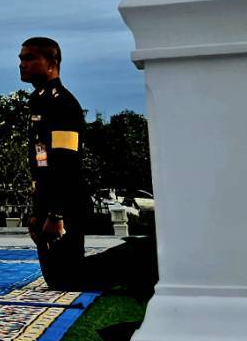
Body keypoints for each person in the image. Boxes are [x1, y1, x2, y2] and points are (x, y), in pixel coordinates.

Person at [21, 36, 157, 292]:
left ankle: (144, 256)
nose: (22, 64)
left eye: (29, 58)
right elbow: (41, 161)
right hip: (47, 199)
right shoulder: (38, 100)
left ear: (51, 63)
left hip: (65, 201)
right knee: (58, 279)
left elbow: (64, 162)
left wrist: (55, 215)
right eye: (21, 58)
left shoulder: (63, 104)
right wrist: (37, 212)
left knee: (68, 279)